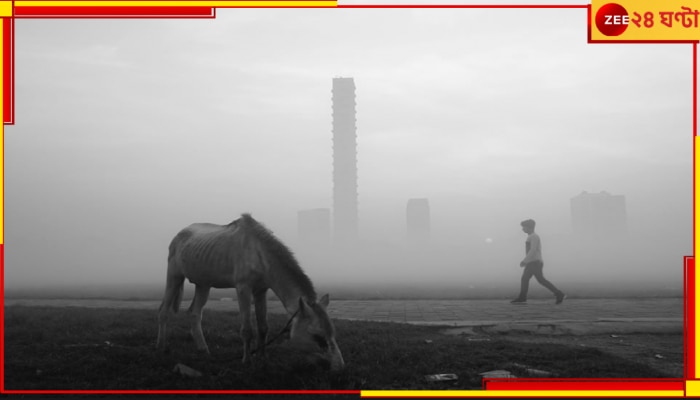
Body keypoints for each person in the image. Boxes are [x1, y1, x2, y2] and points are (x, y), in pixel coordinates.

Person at [510, 219, 566, 305]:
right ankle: (558, 293)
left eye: (524, 227)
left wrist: (525, 261)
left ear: (529, 227)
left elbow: (532, 250)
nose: (522, 229)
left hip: (535, 262)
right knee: (534, 279)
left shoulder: (534, 236)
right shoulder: (531, 236)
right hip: (533, 262)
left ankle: (559, 294)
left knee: (535, 279)